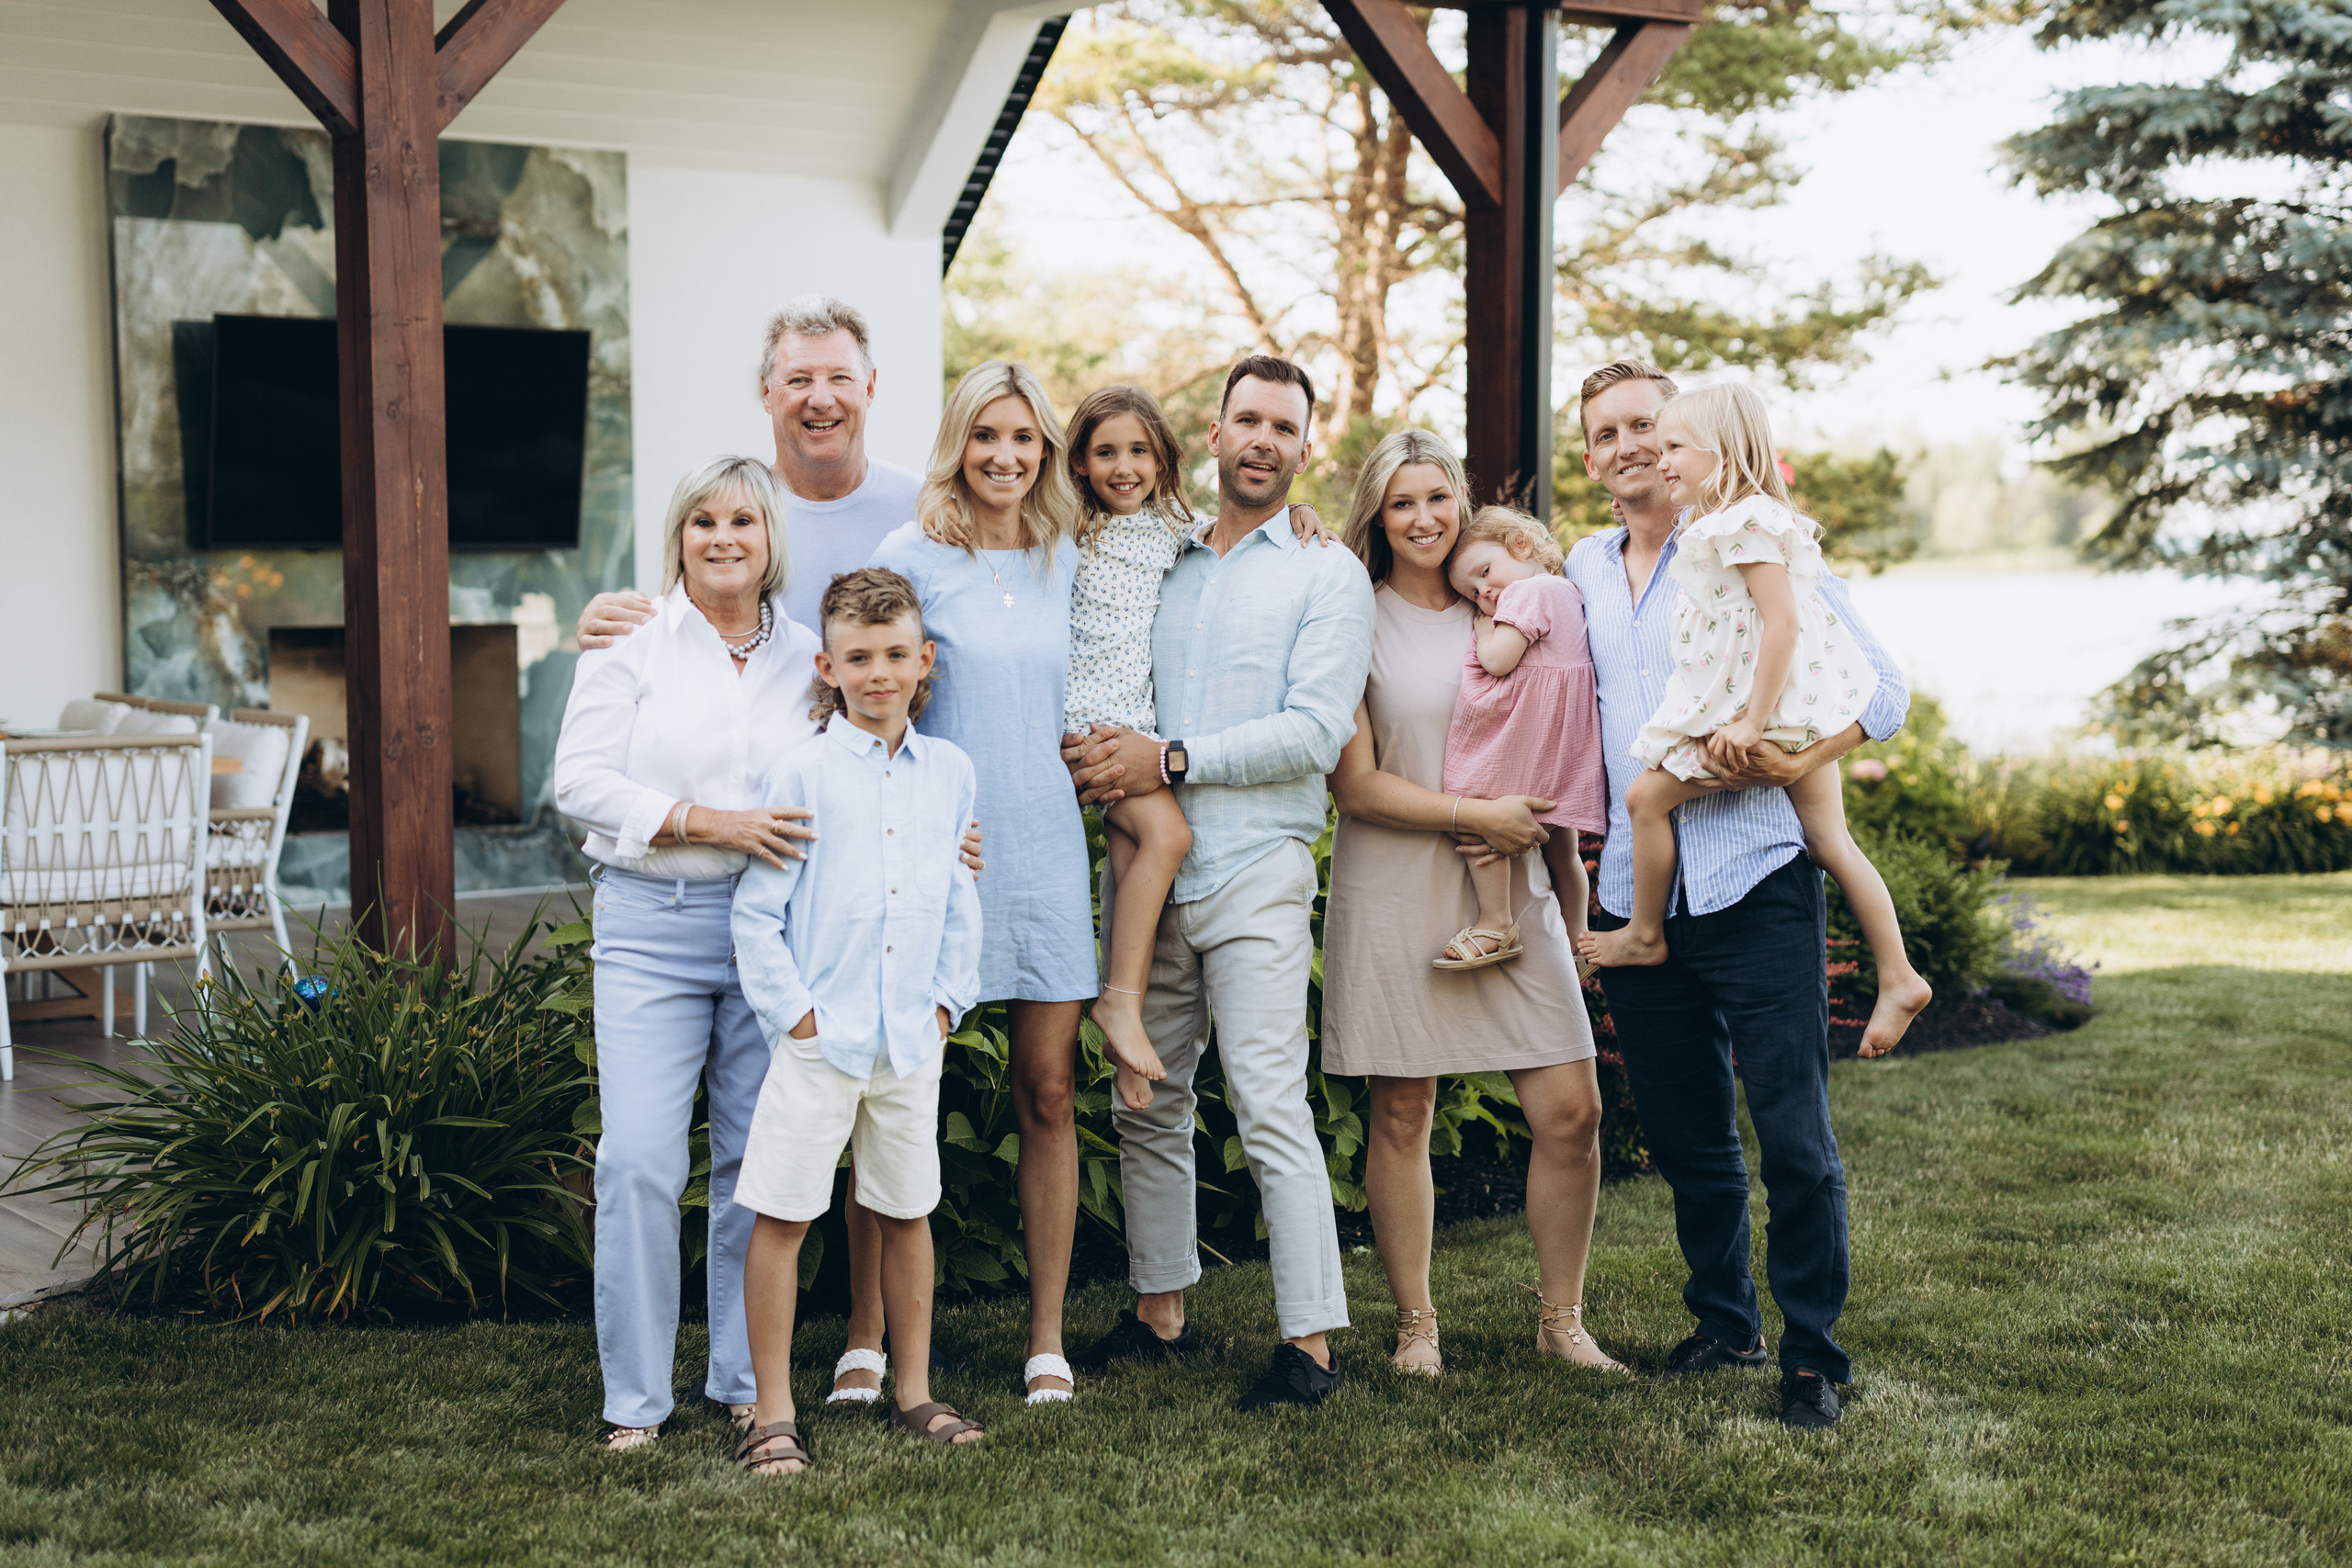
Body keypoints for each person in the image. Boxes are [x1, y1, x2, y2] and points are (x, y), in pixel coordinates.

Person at [1563, 359, 1912, 1430]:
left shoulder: (1756, 537)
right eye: (1608, 432)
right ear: (1589, 456)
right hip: (1634, 889)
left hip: (1756, 875)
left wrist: (1788, 755)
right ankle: (1724, 1322)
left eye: (1647, 427)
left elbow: (1885, 689)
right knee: (1685, 1138)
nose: (1629, 446)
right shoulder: (1577, 566)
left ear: (1684, 439)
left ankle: (1812, 1354)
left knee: (1793, 1136)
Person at [1063, 355, 1374, 1411]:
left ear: (1301, 447)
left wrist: (1172, 760)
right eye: (1248, 419)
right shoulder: (1163, 550)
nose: (1263, 441)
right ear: (1213, 429)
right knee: (1144, 1096)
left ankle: (1310, 1343)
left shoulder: (1325, 573)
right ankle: (1160, 1311)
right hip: (1144, 865)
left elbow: (1315, 731)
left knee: (1266, 1099)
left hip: (1253, 867)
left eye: (1283, 428)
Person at [1319, 434, 1623, 1377]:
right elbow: (1354, 788)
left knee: (1572, 1112)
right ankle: (1416, 1324)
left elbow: (1563, 720)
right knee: (1403, 1112)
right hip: (1396, 879)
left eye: (1438, 497)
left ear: (1463, 504)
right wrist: (1474, 812)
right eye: (1401, 502)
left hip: (1514, 881)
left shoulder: (1508, 601)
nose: (1423, 519)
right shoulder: (1349, 620)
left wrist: (1566, 884)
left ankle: (1560, 1319)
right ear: (1377, 514)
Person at [551, 456, 821, 1451]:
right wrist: (702, 821)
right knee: (639, 1162)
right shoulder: (631, 645)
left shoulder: (809, 656)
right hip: (650, 927)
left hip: (769, 935)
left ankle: (743, 1379)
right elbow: (577, 781)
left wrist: (934, 829)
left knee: (756, 1163)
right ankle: (634, 1403)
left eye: (742, 522)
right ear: (678, 538)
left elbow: (855, 763)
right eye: (702, 521)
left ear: (768, 540)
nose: (721, 538)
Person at [868, 360, 1095, 1408]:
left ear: (1046, 450)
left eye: (1024, 440)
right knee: (901, 1093)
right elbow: (863, 693)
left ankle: (1045, 1340)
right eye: (986, 437)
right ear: (958, 441)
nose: (1004, 457)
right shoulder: (912, 555)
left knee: (1048, 1094)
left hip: (1047, 851)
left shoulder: (1073, 552)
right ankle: (868, 1339)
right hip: (939, 859)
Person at [1580, 385, 1932, 1055]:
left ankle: (1642, 933)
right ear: (1592, 461)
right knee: (1834, 842)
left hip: (1761, 728)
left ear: (1721, 451)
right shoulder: (1612, 557)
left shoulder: (1736, 526)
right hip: (1798, 711)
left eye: (1663, 437)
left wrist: (1763, 732)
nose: (1650, 452)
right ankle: (1899, 973)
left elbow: (1791, 627)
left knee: (1645, 796)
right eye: (1608, 435)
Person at [729, 568, 985, 1474]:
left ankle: (911, 1391)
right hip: (820, 1040)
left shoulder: (948, 774)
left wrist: (949, 1001)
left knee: (907, 1211)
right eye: (858, 657)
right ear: (827, 666)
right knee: (785, 1214)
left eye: (894, 655)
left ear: (923, 662)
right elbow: (757, 914)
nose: (878, 672)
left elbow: (960, 903)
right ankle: (772, 1412)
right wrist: (795, 1017)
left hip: (911, 1036)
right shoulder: (799, 770)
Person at [579, 296, 920, 638]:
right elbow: (681, 625)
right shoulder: (729, 516)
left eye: (840, 378)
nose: (820, 399)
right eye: (799, 380)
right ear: (767, 391)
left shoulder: (923, 505)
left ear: (870, 387)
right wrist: (609, 626)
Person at [1431, 505, 1609, 971]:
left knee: (1476, 809)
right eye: (1472, 592)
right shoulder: (1567, 591)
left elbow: (1499, 660)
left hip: (1530, 740)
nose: (1484, 592)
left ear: (1521, 545)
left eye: (1485, 573)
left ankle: (1495, 920)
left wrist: (1482, 627)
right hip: (1563, 746)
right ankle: (1578, 940)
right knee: (1563, 849)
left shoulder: (1529, 593)